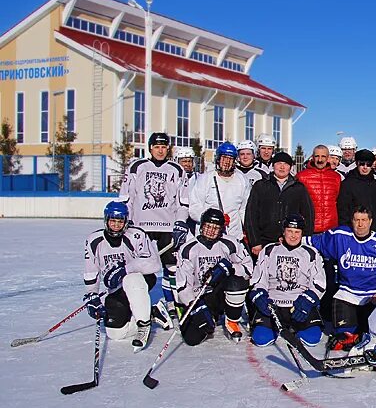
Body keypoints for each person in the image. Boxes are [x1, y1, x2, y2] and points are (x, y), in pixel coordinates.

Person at [118, 132, 189, 318]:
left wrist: (180, 222)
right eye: (157, 146)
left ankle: (173, 303)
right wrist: (128, 220)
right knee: (139, 265)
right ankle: (136, 302)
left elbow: (183, 202)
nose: (160, 150)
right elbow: (127, 196)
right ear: (150, 148)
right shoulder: (137, 167)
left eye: (164, 147)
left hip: (167, 226)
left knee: (172, 266)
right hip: (142, 227)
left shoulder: (177, 169)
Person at [306, 206, 376, 341]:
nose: (360, 224)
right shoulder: (340, 236)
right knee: (345, 338)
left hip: (372, 295)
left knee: (374, 336)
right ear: (352, 221)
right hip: (347, 294)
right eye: (357, 220)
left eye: (364, 220)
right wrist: (287, 240)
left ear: (370, 221)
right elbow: (315, 241)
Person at [83, 201, 162, 350]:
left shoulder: (136, 235)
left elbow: (154, 264)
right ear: (106, 220)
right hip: (116, 289)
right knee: (115, 333)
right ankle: (151, 313)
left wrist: (125, 269)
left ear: (126, 221)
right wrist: (91, 295)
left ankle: (143, 325)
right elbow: (90, 270)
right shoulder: (94, 240)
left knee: (130, 279)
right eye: (113, 220)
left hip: (140, 281)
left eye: (120, 221)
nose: (116, 225)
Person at [247, 214, 327, 347]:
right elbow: (259, 279)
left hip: (298, 306)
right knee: (261, 339)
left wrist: (307, 301)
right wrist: (260, 295)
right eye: (289, 231)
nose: (293, 235)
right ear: (283, 231)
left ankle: (295, 326)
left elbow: (319, 283)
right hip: (273, 306)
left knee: (311, 338)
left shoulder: (311, 253)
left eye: (297, 232)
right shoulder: (269, 250)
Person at [175, 208, 253, 344]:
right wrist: (193, 304)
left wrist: (229, 268)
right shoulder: (188, 249)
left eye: (216, 228)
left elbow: (249, 268)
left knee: (237, 282)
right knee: (192, 338)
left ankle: (232, 320)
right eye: (208, 226)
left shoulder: (230, 243)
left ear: (221, 229)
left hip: (222, 293)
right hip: (199, 296)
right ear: (201, 226)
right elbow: (182, 285)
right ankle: (209, 315)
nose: (211, 231)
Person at [244, 151, 315, 258]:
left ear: (290, 167)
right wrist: (255, 241)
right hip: (264, 241)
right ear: (273, 166)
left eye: (286, 164)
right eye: (279, 163)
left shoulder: (298, 188)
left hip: (291, 241)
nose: (282, 167)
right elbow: (250, 214)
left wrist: (303, 239)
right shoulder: (261, 186)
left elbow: (308, 215)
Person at [189, 142, 250, 241]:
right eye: (224, 158)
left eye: (230, 159)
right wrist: (214, 219)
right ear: (218, 159)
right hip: (208, 235)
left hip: (233, 236)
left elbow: (244, 210)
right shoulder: (205, 179)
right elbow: (194, 208)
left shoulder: (242, 180)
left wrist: (248, 231)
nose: (227, 162)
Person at [296, 144, 342, 234]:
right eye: (317, 156)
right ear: (312, 157)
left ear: (328, 158)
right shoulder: (301, 176)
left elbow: (337, 200)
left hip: (331, 228)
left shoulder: (336, 177)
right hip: (310, 228)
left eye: (323, 156)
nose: (320, 160)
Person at [336, 149, 376, 229]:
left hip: (373, 230)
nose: (365, 167)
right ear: (356, 163)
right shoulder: (347, 184)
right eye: (362, 164)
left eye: (369, 164)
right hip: (354, 230)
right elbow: (343, 211)